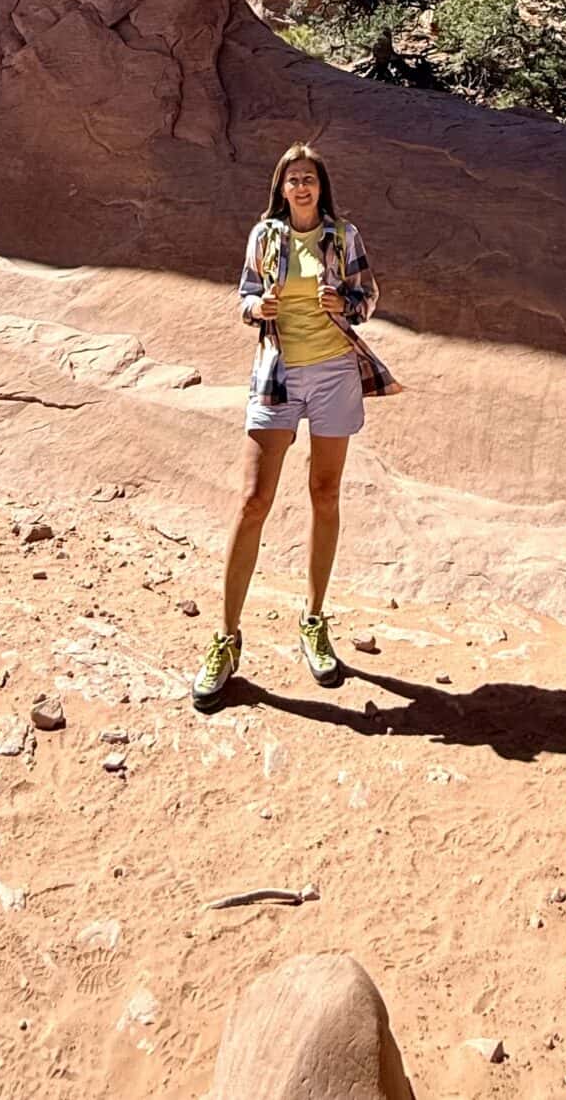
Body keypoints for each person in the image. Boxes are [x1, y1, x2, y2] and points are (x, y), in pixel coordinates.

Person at [191, 142, 399, 711]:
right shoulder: (266, 236)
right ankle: (226, 638)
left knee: (324, 494)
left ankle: (313, 622)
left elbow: (368, 295)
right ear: (281, 188)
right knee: (253, 501)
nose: (301, 187)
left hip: (334, 372)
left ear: (320, 186)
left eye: (308, 178)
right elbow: (245, 296)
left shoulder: (343, 236)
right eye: (292, 180)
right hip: (277, 376)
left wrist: (345, 304)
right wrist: (257, 309)